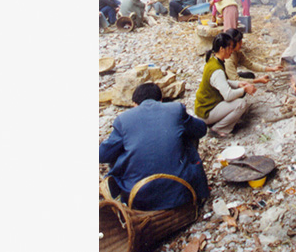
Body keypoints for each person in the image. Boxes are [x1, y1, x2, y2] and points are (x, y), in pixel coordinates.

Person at [99, 83, 209, 211]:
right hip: (182, 192)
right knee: (187, 135)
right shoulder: (176, 109)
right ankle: (196, 184)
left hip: (138, 200)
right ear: (161, 100)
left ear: (134, 104)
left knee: (118, 149)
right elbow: (201, 130)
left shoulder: (123, 120)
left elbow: (102, 155)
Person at [194, 33, 258, 136]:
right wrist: (245, 89)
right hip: (206, 112)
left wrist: (239, 84)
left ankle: (220, 121)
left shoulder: (214, 60)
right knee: (241, 104)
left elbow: (223, 82)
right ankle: (219, 129)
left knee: (239, 98)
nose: (232, 51)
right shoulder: (216, 70)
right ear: (222, 49)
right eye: (229, 48)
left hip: (204, 106)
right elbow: (228, 96)